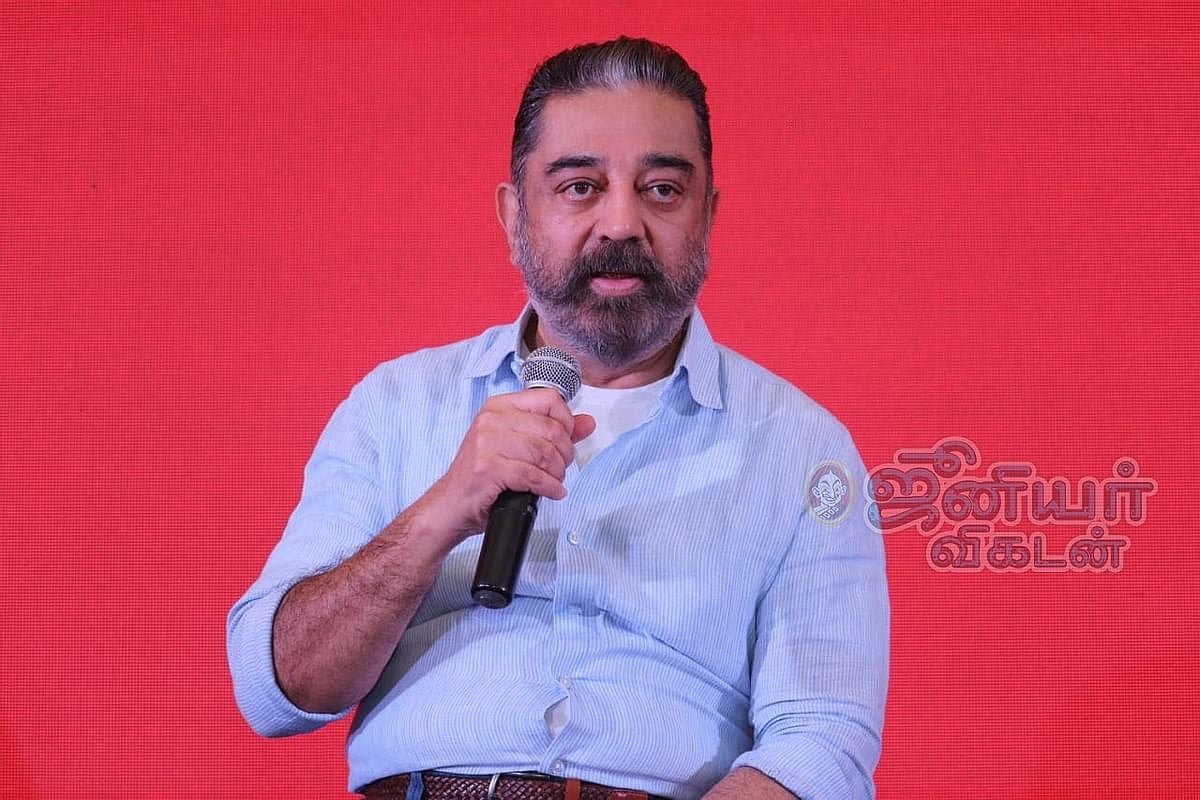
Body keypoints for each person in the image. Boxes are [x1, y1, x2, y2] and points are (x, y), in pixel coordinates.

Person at [228, 37, 889, 800]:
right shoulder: (396, 403)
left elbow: (823, 743)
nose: (621, 224)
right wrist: (440, 513)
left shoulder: (804, 449)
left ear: (708, 215)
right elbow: (277, 690)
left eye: (662, 190)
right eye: (580, 187)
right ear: (515, 218)